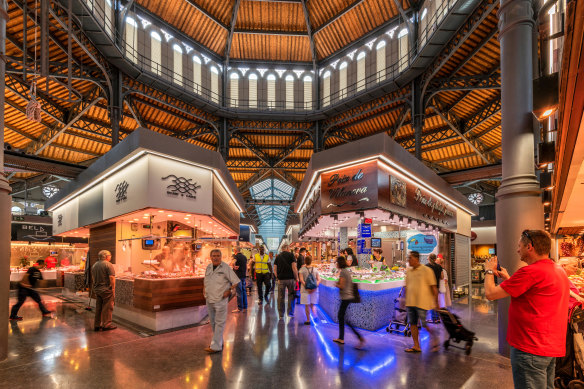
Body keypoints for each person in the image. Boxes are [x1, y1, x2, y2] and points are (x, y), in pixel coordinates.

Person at [484, 230, 570, 389]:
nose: (517, 250)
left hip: (530, 349)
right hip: (549, 347)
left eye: (519, 246)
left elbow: (490, 294)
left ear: (529, 247)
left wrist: (489, 270)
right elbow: (533, 295)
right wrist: (510, 280)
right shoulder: (558, 270)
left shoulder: (530, 272)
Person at [203, 249, 240, 353]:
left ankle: (215, 346)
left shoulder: (225, 267)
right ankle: (219, 342)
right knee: (213, 323)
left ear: (221, 257)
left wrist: (229, 290)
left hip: (220, 300)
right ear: (210, 257)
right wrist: (204, 289)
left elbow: (236, 281)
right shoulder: (209, 267)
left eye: (218, 256)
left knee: (219, 323)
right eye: (214, 256)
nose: (215, 258)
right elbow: (205, 280)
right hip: (209, 299)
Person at [404, 251, 439, 353]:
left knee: (424, 324)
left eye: (410, 258)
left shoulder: (427, 270)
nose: (408, 260)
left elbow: (434, 287)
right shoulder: (409, 271)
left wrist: (436, 302)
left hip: (422, 302)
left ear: (416, 259)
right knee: (412, 324)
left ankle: (435, 336)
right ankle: (416, 346)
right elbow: (407, 286)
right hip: (410, 302)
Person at [333, 256, 365, 348]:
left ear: (339, 263)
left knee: (342, 317)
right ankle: (341, 338)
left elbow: (342, 286)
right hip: (348, 296)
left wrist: (336, 284)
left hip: (346, 297)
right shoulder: (346, 271)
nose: (336, 264)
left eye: (337, 263)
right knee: (342, 317)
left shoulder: (343, 272)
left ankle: (359, 338)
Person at [91, 250, 117, 331]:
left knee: (99, 308)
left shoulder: (95, 265)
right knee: (107, 308)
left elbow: (93, 278)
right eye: (110, 255)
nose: (110, 256)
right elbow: (112, 278)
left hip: (97, 289)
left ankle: (97, 325)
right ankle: (106, 325)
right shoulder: (108, 264)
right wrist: (113, 289)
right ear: (106, 256)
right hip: (106, 290)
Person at [274, 244, 298, 319]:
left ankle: (281, 315)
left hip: (281, 280)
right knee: (291, 296)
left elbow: (274, 269)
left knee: (281, 297)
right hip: (290, 279)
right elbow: (294, 268)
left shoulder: (278, 257)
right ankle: (290, 313)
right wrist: (296, 278)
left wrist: (277, 277)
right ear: (287, 248)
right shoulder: (291, 255)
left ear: (282, 249)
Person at [299, 256, 320, 325]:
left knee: (307, 305)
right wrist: (314, 287)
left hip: (305, 290)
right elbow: (319, 279)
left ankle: (308, 320)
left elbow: (301, 280)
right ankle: (315, 316)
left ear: (305, 261)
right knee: (313, 304)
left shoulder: (302, 270)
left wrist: (307, 287)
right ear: (311, 261)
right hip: (314, 290)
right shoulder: (315, 269)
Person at [425, 253, 443, 323]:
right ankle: (436, 318)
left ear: (429, 259)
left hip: (428, 287)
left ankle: (424, 318)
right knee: (435, 302)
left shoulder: (426, 267)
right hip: (436, 286)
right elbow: (442, 277)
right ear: (435, 259)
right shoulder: (439, 266)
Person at [232, 247, 248, 313]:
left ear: (235, 251)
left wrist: (234, 266)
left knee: (239, 292)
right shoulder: (244, 257)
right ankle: (245, 306)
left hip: (237, 276)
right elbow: (246, 266)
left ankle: (239, 308)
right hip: (243, 276)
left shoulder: (236, 256)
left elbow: (233, 262)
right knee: (243, 291)